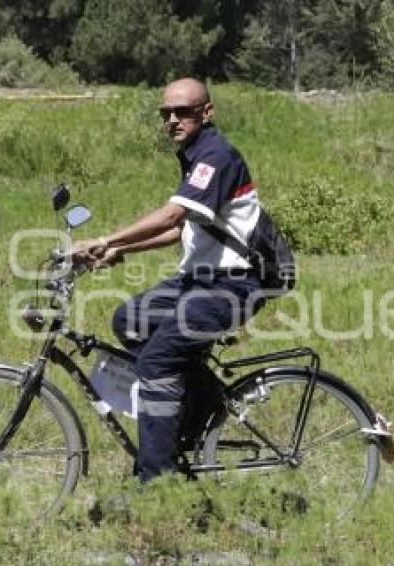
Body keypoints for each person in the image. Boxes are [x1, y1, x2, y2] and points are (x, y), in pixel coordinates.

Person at [73, 77, 265, 482]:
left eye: (183, 112)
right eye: (166, 114)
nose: (173, 120)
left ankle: (156, 483)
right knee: (130, 320)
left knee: (158, 362)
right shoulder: (195, 156)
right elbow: (184, 230)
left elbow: (174, 216)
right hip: (202, 279)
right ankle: (204, 397)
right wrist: (121, 251)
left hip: (234, 284)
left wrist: (107, 238)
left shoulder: (216, 155)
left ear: (206, 113)